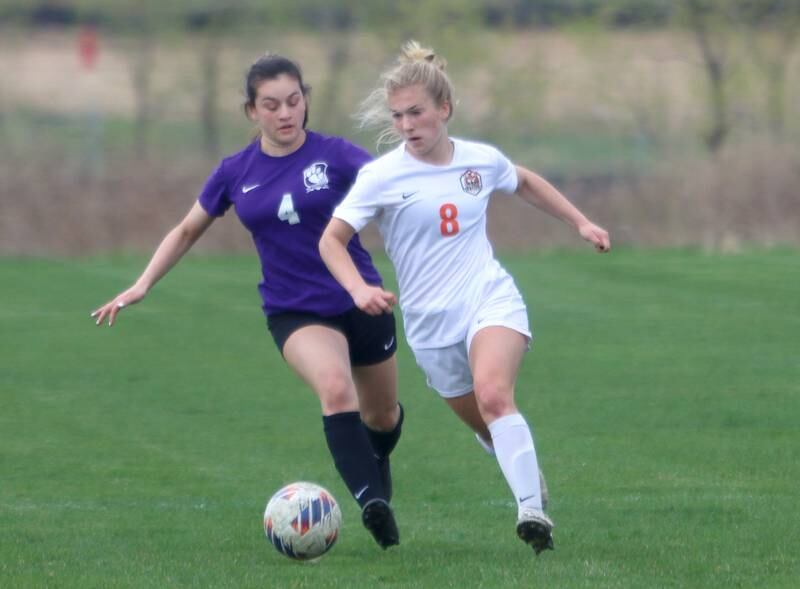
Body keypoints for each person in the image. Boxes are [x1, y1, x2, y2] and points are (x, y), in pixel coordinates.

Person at [91, 54, 402, 549]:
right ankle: (372, 502)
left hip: (361, 297)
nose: (286, 113)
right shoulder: (236, 171)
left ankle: (377, 461)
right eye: (272, 104)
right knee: (335, 388)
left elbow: (399, 188)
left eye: (295, 101)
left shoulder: (337, 156)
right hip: (294, 310)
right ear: (251, 111)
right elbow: (188, 229)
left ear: (306, 101)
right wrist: (142, 283)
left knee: (382, 417)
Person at [319, 41, 610, 555]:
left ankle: (531, 512)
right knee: (490, 425)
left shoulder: (480, 160)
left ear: (444, 109)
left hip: (488, 299)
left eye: (417, 113)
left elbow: (523, 182)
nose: (407, 125)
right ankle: (525, 472)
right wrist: (358, 288)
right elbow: (331, 240)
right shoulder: (381, 176)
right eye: (398, 116)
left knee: (495, 395)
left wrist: (581, 222)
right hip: (430, 329)